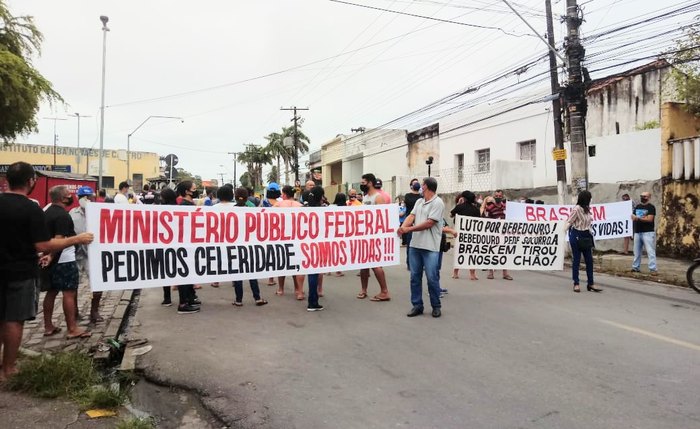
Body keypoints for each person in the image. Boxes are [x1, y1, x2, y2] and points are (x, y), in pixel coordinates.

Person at [0, 162, 94, 380]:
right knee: (14, 319)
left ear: (7, 181)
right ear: (31, 181)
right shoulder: (30, 207)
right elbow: (42, 244)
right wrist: (77, 239)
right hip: (20, 272)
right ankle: (10, 368)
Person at [42, 185, 92, 340]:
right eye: (68, 194)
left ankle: (48, 326)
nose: (71, 196)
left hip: (50, 260)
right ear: (63, 198)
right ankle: (72, 328)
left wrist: (48, 256)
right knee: (69, 293)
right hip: (64, 259)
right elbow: (59, 240)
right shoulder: (63, 215)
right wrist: (52, 255)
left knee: (51, 292)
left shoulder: (47, 212)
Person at [398, 177, 444, 318]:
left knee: (432, 277)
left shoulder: (438, 202)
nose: (419, 187)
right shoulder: (419, 201)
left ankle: (436, 306)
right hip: (415, 246)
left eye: (422, 185)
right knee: (414, 277)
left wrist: (408, 230)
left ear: (426, 187)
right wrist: (402, 227)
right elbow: (411, 216)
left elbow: (429, 223)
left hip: (430, 247)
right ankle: (417, 305)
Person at [69, 186, 103, 323]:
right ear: (79, 198)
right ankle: (74, 311)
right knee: (73, 285)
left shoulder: (98, 212)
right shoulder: (72, 214)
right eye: (84, 197)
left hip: (92, 254)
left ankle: (94, 311)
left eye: (90, 197)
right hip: (76, 253)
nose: (87, 200)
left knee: (98, 283)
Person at [356, 173, 391, 302]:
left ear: (370, 183)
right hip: (365, 235)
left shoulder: (378, 198)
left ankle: (384, 291)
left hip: (374, 236)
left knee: (376, 264)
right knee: (363, 264)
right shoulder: (365, 198)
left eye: (363, 182)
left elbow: (382, 218)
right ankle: (364, 289)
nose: (362, 185)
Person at [566, 191, 602, 293]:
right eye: (589, 198)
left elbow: (589, 223)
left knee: (589, 260)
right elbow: (569, 221)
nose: (591, 200)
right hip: (577, 235)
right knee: (576, 260)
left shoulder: (587, 209)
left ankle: (591, 283)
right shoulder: (576, 209)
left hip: (586, 235)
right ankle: (576, 283)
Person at [174, 181, 201, 314]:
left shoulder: (188, 204)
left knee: (189, 273)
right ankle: (183, 303)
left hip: (190, 243)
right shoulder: (185, 205)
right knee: (184, 274)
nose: (196, 191)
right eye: (194, 189)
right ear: (186, 191)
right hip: (185, 244)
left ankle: (190, 297)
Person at [301, 187, 326, 312]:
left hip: (306, 244)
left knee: (312, 272)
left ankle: (313, 299)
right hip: (318, 245)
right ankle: (312, 302)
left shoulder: (304, 209)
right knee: (314, 272)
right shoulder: (322, 210)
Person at [449, 190, 481, 280]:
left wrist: (458, 204)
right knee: (472, 253)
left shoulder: (460, 207)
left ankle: (455, 273)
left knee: (459, 252)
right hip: (472, 234)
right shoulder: (476, 209)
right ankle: (472, 274)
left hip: (460, 234)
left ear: (464, 198)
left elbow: (451, 215)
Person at [483, 190, 513, 281]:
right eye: (496, 196)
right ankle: (490, 272)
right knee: (492, 252)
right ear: (494, 196)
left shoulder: (505, 207)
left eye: (500, 196)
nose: (498, 197)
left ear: (502, 196)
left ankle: (505, 273)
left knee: (504, 252)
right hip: (494, 233)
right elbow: (486, 219)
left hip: (504, 233)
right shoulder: (490, 207)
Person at [159, 188, 178, 306]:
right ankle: (184, 299)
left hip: (164, 245)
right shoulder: (178, 208)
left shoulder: (160, 210)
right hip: (178, 245)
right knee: (179, 271)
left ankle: (167, 298)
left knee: (165, 272)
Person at [631, 191, 657, 274]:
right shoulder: (637, 206)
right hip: (638, 232)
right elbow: (633, 217)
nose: (642, 197)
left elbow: (650, 219)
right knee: (636, 252)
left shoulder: (651, 207)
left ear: (649, 197)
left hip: (648, 232)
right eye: (641, 196)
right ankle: (635, 267)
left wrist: (638, 218)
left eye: (645, 196)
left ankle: (653, 269)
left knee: (650, 251)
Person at [403, 179, 421, 267]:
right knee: (410, 242)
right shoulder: (408, 196)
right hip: (410, 221)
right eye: (414, 183)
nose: (417, 184)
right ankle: (409, 263)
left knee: (419, 243)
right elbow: (409, 204)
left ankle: (418, 263)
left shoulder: (422, 197)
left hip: (419, 221)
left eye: (417, 182)